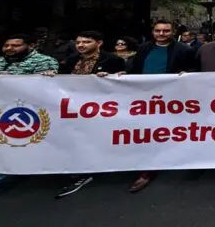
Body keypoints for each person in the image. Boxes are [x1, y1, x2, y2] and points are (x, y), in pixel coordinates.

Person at [0, 34, 59, 203]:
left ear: (31, 46)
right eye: (6, 45)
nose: (9, 49)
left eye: (15, 45)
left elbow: (48, 86)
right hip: (2, 111)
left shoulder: (45, 61)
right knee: (4, 143)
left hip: (35, 111)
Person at [54, 31, 126, 198]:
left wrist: (112, 77)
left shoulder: (112, 60)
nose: (81, 45)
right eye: (78, 42)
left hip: (101, 107)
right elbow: (60, 79)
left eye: (86, 42)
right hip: (74, 107)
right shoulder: (71, 59)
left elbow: (123, 82)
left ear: (98, 43)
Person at [128, 20, 196, 192]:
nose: (161, 34)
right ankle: (148, 165)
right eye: (158, 30)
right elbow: (135, 69)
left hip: (171, 97)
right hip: (144, 96)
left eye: (166, 31)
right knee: (146, 130)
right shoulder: (144, 48)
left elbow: (195, 70)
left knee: (166, 130)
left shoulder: (184, 50)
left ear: (172, 32)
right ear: (153, 32)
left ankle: (159, 163)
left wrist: (188, 74)